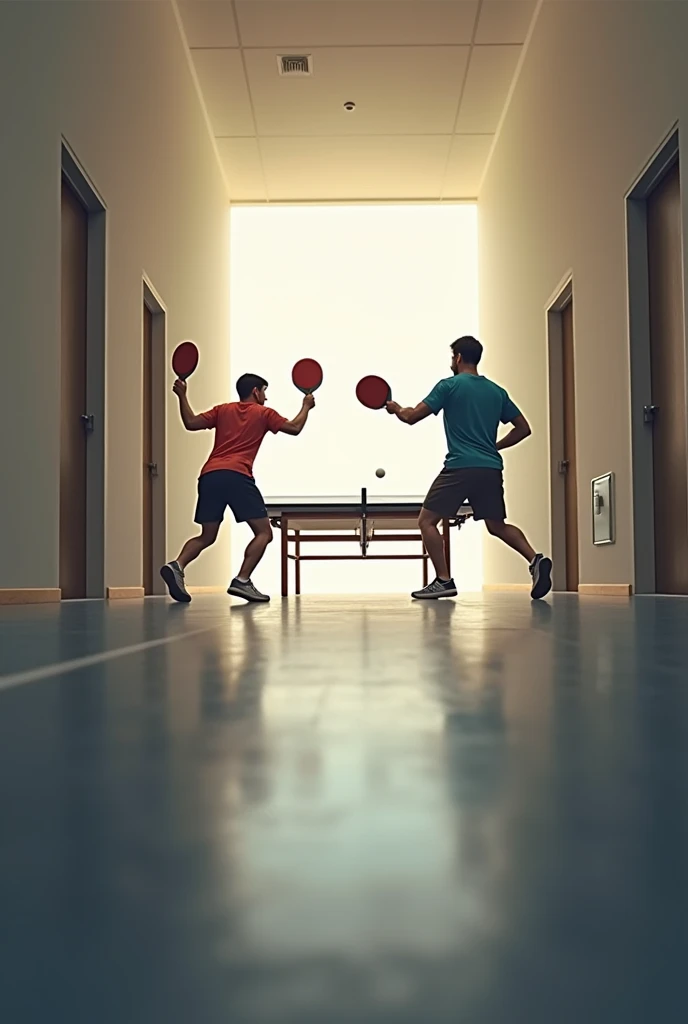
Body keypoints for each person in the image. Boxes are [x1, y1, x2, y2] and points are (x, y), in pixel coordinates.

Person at [386, 336, 552, 600]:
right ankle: (535, 559)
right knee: (497, 525)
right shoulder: (497, 392)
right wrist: (493, 446)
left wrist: (395, 408)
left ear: (459, 357)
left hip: (460, 466)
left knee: (427, 521)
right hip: (489, 469)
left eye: (453, 357)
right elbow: (524, 429)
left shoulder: (449, 386)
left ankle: (443, 580)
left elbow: (411, 417)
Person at [160, 373, 314, 604]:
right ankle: (243, 580)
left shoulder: (222, 410)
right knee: (264, 533)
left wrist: (182, 395)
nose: (266, 397)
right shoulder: (264, 413)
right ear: (256, 392)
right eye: (264, 391)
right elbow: (294, 428)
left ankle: (177, 565)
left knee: (207, 535)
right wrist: (306, 406)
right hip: (237, 475)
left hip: (210, 475)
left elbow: (190, 423)